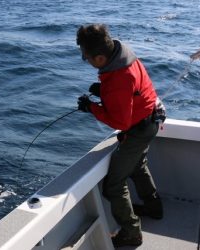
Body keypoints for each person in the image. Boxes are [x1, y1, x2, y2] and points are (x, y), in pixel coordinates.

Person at [76, 24, 165, 248]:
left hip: (139, 129)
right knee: (137, 164)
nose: (85, 59)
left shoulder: (118, 79)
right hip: (151, 119)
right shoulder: (122, 53)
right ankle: (153, 207)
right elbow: (131, 91)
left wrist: (91, 108)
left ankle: (131, 232)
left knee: (113, 186)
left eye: (85, 56)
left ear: (99, 58)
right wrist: (102, 90)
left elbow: (120, 122)